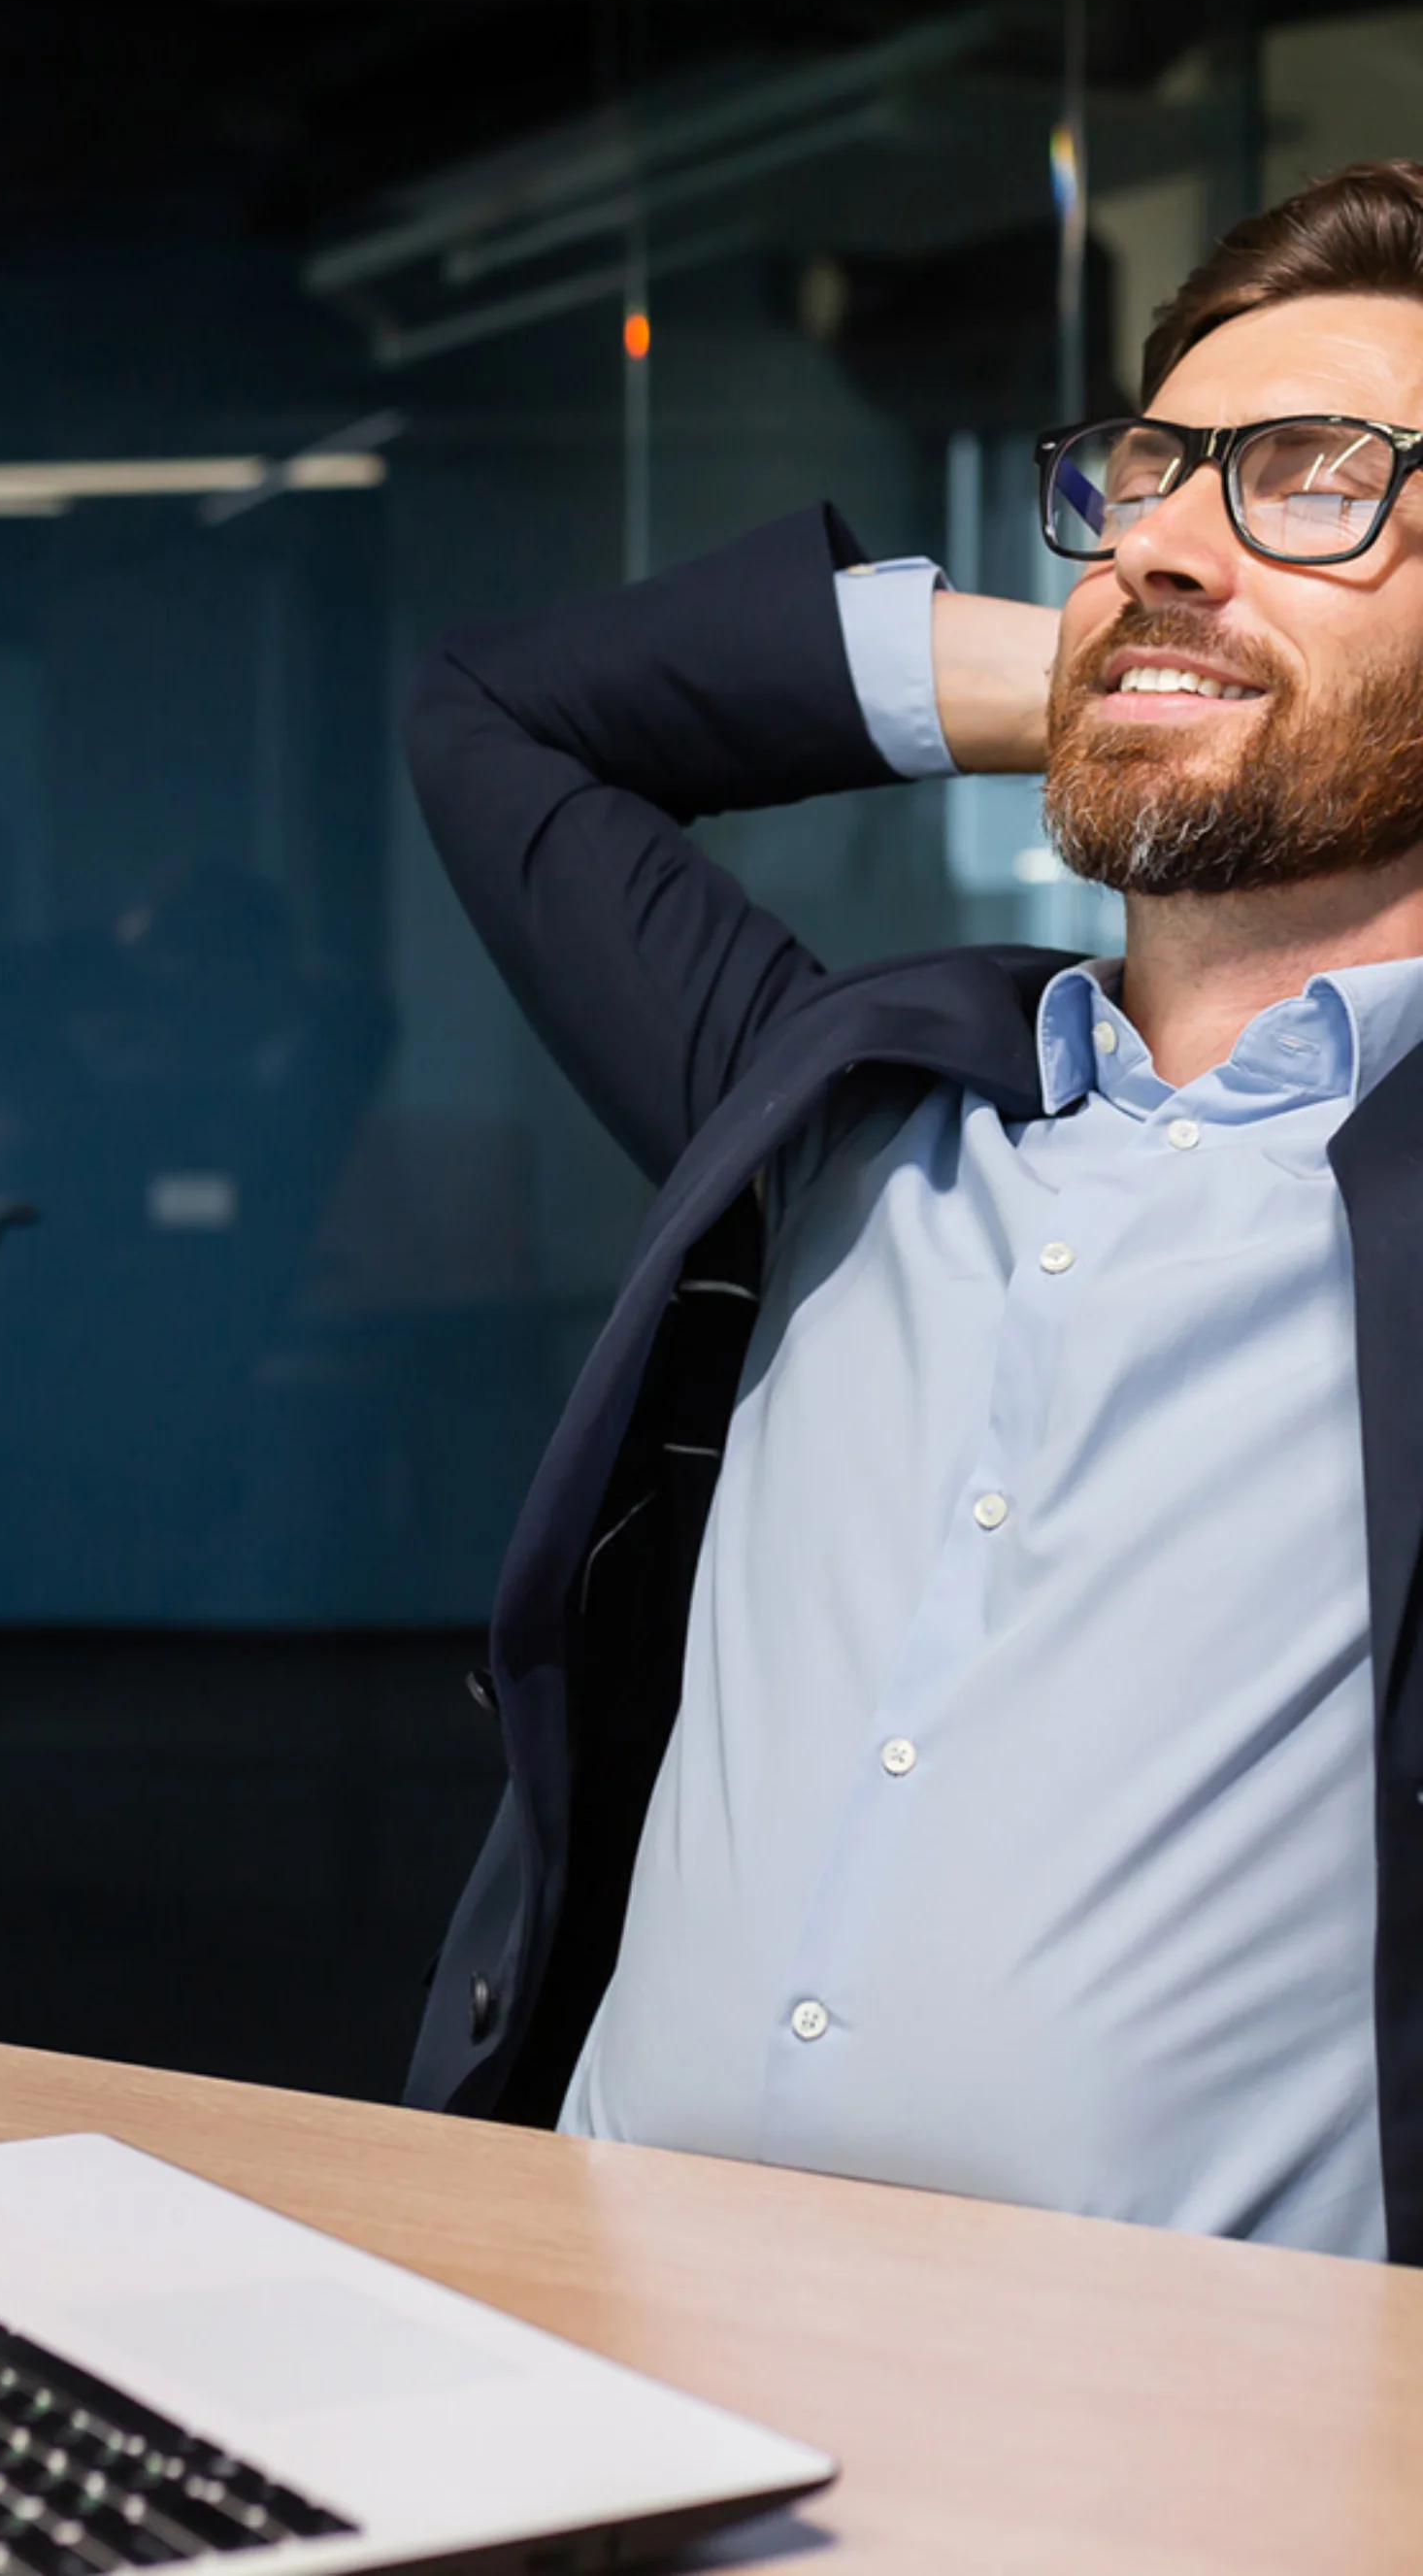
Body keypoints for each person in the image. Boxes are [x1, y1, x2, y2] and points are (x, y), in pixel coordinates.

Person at [403, 157, 1423, 2267]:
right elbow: (502, 720)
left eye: (1308, 479)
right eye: (1143, 481)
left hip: (1178, 2480)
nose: (1152, 543)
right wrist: (1129, 667)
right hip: (582, 2382)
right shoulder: (838, 1097)